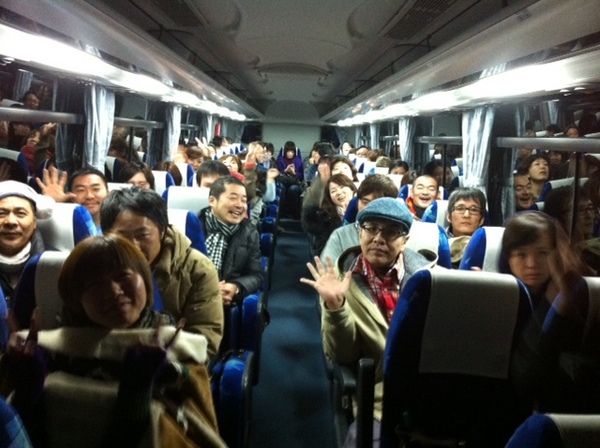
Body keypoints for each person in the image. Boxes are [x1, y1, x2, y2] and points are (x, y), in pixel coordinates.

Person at [2, 235, 223, 447]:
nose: (113, 291)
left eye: (123, 276)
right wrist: (28, 387)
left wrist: (140, 390)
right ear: (76, 299)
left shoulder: (178, 353)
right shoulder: (45, 353)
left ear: (145, 282)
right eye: (94, 284)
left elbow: (195, 437)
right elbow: (22, 436)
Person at [300, 197, 437, 448]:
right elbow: (342, 355)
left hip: (431, 392)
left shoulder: (431, 279)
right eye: (371, 228)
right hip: (378, 396)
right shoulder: (340, 282)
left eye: (391, 232)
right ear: (360, 233)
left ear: (405, 240)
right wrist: (336, 307)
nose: (378, 238)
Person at [100, 187, 223, 357]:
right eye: (122, 237)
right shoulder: (93, 267)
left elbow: (203, 344)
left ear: (162, 232)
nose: (133, 246)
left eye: (142, 235)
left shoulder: (198, 270)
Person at [501, 212, 600, 414]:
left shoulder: (577, 300)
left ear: (557, 256)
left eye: (543, 253)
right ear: (508, 258)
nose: (532, 264)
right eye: (521, 254)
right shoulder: (496, 299)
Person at [198, 176, 262, 306]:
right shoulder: (192, 226)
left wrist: (235, 287)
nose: (240, 205)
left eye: (244, 200)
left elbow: (255, 275)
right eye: (233, 198)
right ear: (212, 201)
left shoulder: (249, 233)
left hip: (224, 303)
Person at [320, 174, 399, 264]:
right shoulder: (341, 236)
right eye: (365, 202)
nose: (370, 208)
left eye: (377, 203)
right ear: (357, 202)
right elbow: (327, 268)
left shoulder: (399, 235)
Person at [0, 181, 52, 304]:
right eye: (1, 214)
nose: (11, 222)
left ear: (35, 223)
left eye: (21, 214)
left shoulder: (53, 264)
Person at [36, 166, 108, 232]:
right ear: (71, 196)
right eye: (81, 190)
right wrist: (53, 203)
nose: (89, 196)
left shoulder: (114, 226)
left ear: (108, 193)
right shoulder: (63, 228)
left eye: (96, 189)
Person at [302, 174, 357, 257]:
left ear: (352, 189)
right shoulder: (325, 217)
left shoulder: (363, 208)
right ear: (330, 197)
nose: (339, 192)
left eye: (342, 187)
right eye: (333, 191)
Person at [445, 187, 486, 268]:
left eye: (473, 210)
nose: (466, 215)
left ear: (481, 220)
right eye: (460, 209)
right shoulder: (437, 243)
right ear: (449, 216)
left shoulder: (487, 248)